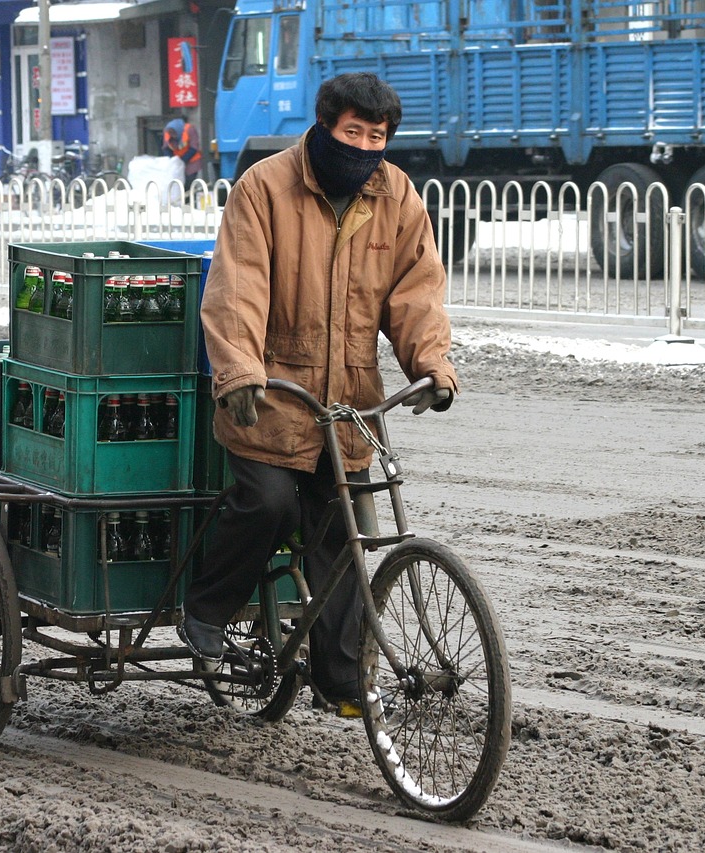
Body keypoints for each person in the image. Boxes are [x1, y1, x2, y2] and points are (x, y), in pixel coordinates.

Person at [179, 73, 459, 717]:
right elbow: (237, 287)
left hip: (350, 405)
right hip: (271, 394)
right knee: (269, 503)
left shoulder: (397, 196)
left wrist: (433, 365)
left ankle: (340, 679)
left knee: (343, 534)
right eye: (352, 132)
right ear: (325, 125)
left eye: (377, 137)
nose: (364, 147)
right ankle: (207, 609)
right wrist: (239, 372)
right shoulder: (266, 187)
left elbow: (416, 290)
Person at [161, 117, 202, 182]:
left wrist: (182, 160)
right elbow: (166, 148)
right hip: (177, 162)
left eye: (173, 133)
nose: (172, 135)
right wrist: (171, 160)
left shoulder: (190, 129)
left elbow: (194, 148)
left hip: (191, 161)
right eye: (170, 133)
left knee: (189, 182)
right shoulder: (167, 132)